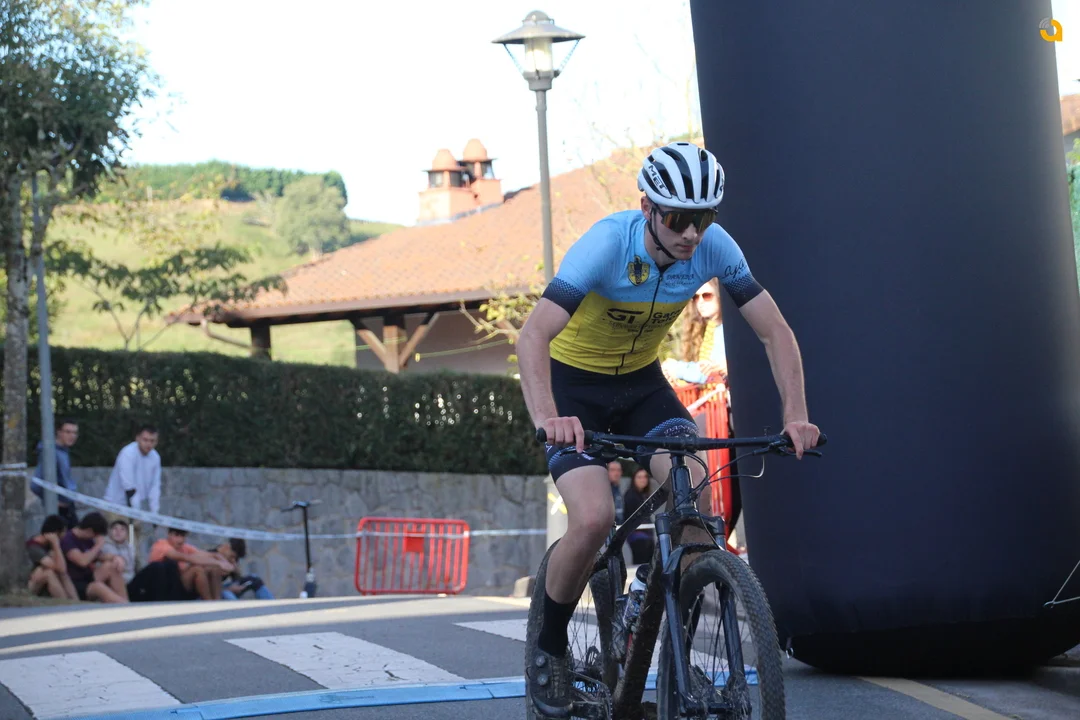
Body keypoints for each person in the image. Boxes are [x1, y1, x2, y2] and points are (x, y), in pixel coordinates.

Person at [516, 140, 821, 717]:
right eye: (679, 218)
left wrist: (796, 415)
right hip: (574, 390)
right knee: (593, 517)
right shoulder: (607, 245)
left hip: (642, 388)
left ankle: (663, 631)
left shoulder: (714, 247)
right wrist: (548, 418)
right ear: (648, 208)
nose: (692, 234)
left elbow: (775, 332)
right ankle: (549, 649)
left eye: (703, 218)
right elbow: (532, 335)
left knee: (695, 498)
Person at [103, 424, 162, 564]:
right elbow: (129, 486)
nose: (148, 444)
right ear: (138, 438)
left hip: (135, 510)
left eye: (152, 441)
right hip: (116, 507)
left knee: (134, 549)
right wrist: (135, 512)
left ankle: (134, 574)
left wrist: (155, 514)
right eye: (145, 440)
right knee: (119, 549)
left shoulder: (155, 457)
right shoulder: (128, 453)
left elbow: (155, 487)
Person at [662, 278, 728, 385]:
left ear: (720, 295)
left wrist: (677, 369)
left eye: (707, 296)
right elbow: (705, 368)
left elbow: (710, 372)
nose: (700, 302)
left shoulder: (729, 330)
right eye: (696, 297)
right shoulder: (712, 328)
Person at [60, 512, 129, 603]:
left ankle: (126, 602)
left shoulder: (88, 539)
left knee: (111, 566)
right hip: (75, 583)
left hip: (88, 576)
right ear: (89, 531)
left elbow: (99, 556)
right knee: (99, 587)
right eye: (96, 536)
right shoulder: (68, 539)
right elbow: (82, 561)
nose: (96, 538)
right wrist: (98, 545)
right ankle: (126, 606)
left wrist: (115, 557)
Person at [149, 528, 235, 601]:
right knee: (197, 569)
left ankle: (217, 601)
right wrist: (219, 563)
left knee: (214, 568)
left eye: (183, 536)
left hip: (182, 584)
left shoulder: (184, 547)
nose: (180, 540)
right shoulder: (161, 545)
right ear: (169, 534)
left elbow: (211, 555)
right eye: (176, 535)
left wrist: (225, 563)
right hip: (166, 586)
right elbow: (187, 558)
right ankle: (208, 602)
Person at [31, 417, 80, 529]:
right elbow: (35, 485)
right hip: (59, 510)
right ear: (59, 432)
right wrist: (52, 500)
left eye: (75, 433)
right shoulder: (50, 452)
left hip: (68, 506)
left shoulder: (63, 451)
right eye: (68, 432)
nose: (72, 436)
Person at [26, 514, 78, 600]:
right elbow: (60, 568)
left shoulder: (49, 545)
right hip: (29, 585)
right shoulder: (33, 547)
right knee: (48, 572)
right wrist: (56, 544)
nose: (65, 535)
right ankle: (64, 602)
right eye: (64, 532)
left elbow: (62, 570)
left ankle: (75, 601)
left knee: (62, 574)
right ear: (56, 533)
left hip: (41, 584)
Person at [622, 467, 655, 565]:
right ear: (634, 479)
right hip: (638, 536)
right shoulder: (631, 495)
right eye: (639, 477)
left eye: (645, 477)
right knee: (641, 564)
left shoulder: (642, 495)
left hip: (646, 535)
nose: (643, 479)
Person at [101, 519, 137, 585]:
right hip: (113, 580)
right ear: (110, 531)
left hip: (131, 580)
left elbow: (131, 566)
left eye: (122, 529)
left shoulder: (130, 547)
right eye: (115, 528)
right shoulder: (104, 545)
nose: (118, 532)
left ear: (127, 534)